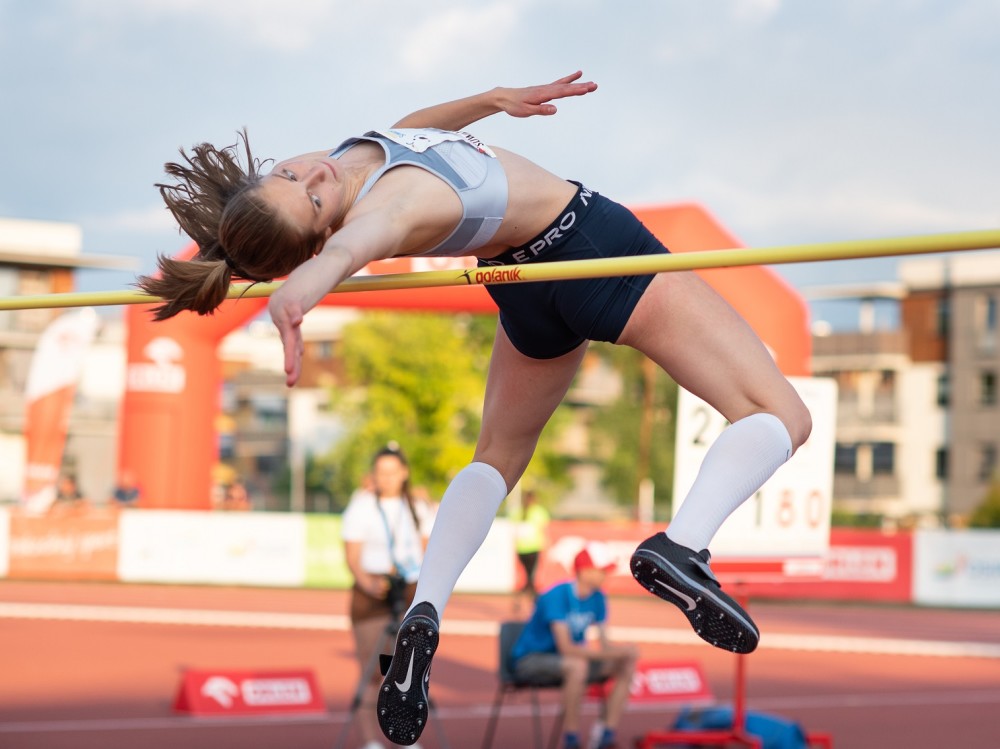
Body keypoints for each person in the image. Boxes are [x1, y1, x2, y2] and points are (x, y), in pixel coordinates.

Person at [137, 71, 812, 746]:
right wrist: (296, 296)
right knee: (779, 414)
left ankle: (423, 611)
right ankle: (682, 545)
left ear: (272, 168)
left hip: (524, 284)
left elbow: (413, 130)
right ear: (319, 236)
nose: (315, 178)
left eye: (291, 176)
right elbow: (353, 246)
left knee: (498, 457)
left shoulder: (351, 161)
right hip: (594, 247)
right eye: (313, 204)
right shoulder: (380, 212)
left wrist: (492, 103)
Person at [340, 444, 434, 749]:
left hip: (407, 591)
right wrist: (368, 583)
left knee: (405, 670)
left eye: (393, 472)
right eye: (382, 472)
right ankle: (371, 741)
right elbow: (352, 556)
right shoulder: (362, 506)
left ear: (404, 473)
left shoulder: (417, 506)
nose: (388, 478)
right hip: (372, 592)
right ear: (374, 475)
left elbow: (428, 550)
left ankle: (405, 737)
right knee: (372, 670)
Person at [511, 541, 637, 749]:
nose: (607, 575)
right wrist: (615, 653)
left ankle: (604, 734)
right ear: (585, 571)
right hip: (531, 659)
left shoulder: (598, 597)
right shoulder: (556, 595)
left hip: (569, 659)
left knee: (625, 663)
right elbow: (566, 648)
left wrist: (625, 652)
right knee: (577, 665)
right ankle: (572, 740)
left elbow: (605, 645)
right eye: (602, 570)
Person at [511, 489, 550, 606]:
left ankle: (527, 599)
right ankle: (533, 601)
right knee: (531, 577)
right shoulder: (539, 512)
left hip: (521, 549)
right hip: (534, 548)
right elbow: (543, 529)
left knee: (529, 576)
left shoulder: (518, 512)